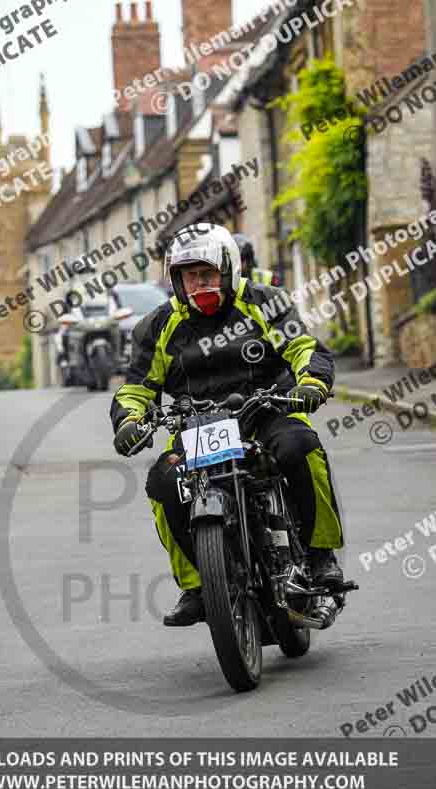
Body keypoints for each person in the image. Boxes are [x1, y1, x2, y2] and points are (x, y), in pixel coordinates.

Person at [110, 224, 344, 627]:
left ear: (230, 270)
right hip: (199, 427)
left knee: (300, 447)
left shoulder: (266, 302)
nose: (199, 284)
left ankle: (320, 556)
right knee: (164, 482)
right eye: (189, 276)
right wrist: (129, 420)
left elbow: (303, 348)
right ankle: (198, 587)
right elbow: (135, 388)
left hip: (267, 410)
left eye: (207, 274)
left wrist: (311, 382)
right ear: (176, 280)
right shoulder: (156, 325)